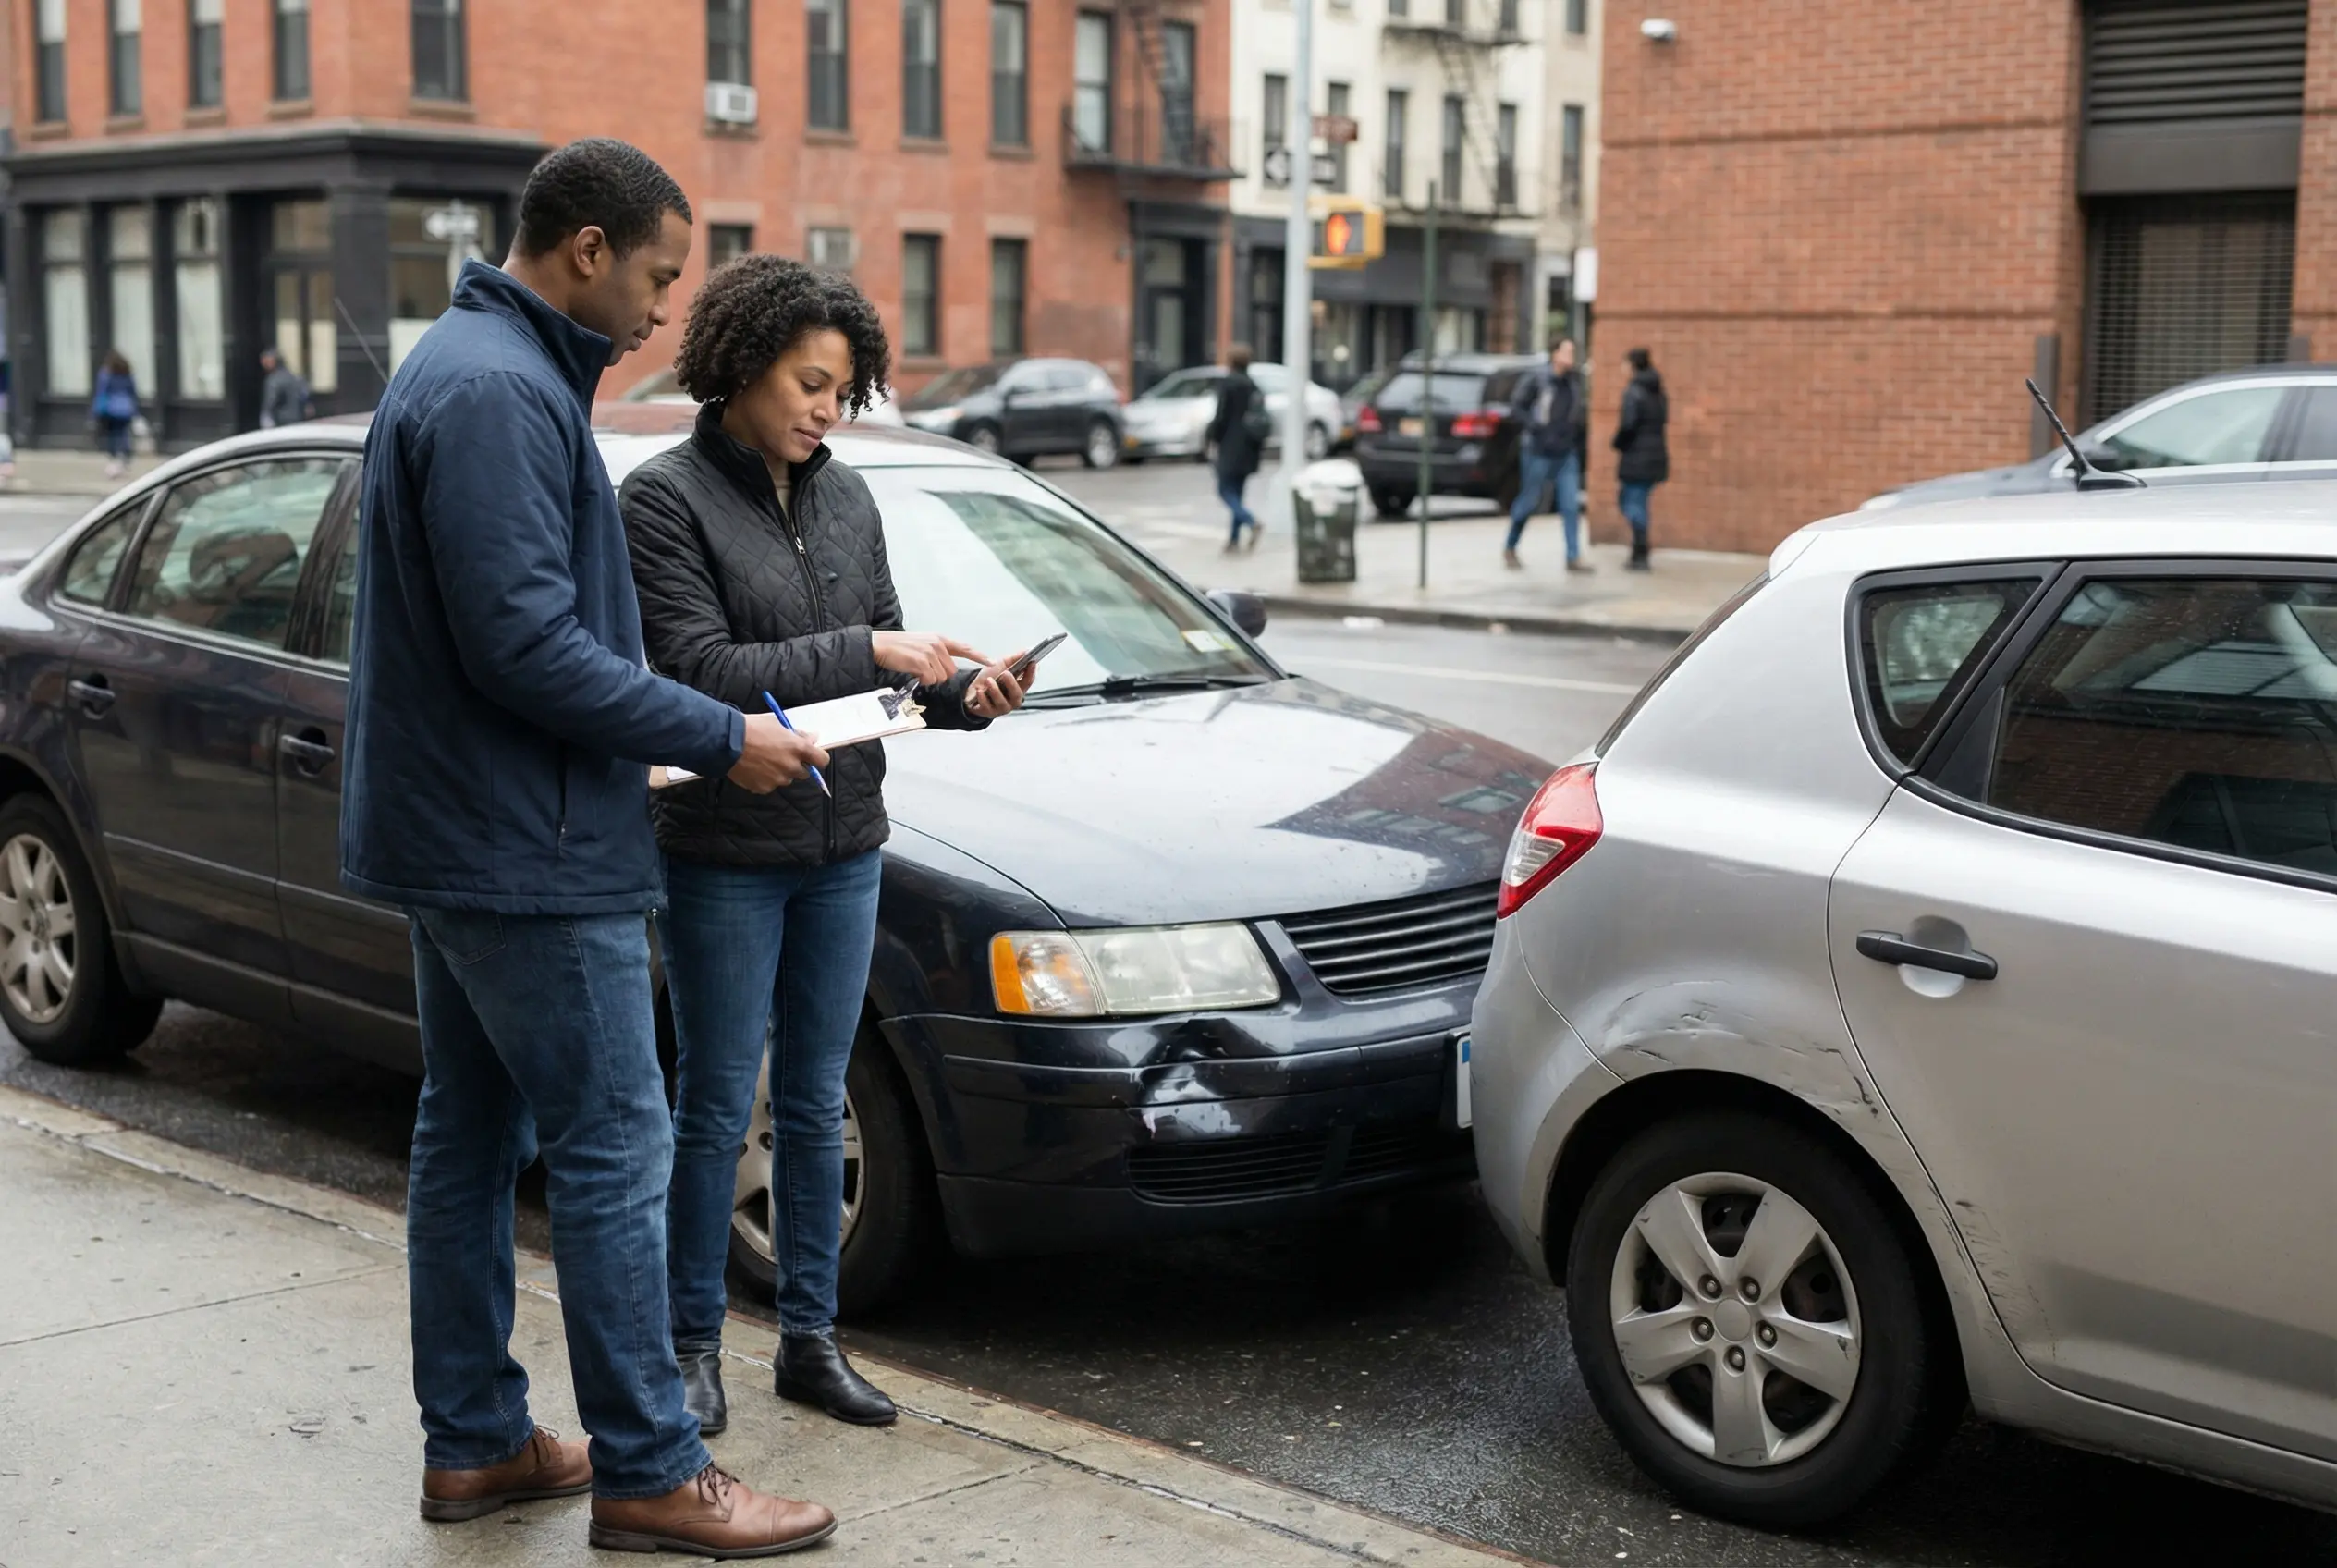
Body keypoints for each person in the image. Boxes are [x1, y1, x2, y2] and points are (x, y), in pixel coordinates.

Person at [340, 138, 838, 1558]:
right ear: (585, 251)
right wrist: (718, 726)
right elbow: (525, 646)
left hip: (470, 832)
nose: (667, 308)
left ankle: (483, 1448)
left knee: (470, 1134)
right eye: (661, 275)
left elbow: (509, 641)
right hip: (525, 848)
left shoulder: (468, 367)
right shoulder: (499, 390)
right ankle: (652, 1468)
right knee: (616, 1144)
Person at [620, 255, 1036, 1438]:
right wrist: (871, 650)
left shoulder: (847, 499)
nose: (821, 409)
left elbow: (888, 678)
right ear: (743, 363)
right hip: (721, 849)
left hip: (845, 841)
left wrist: (964, 695)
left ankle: (810, 1342)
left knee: (812, 1103)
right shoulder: (662, 501)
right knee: (713, 1104)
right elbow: (700, 674)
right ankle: (691, 1348)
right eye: (808, 383)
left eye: (839, 392)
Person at [1506, 338, 1588, 573]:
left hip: (1566, 452)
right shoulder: (1537, 379)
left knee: (1570, 504)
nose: (1571, 356)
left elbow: (1577, 413)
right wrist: (1536, 428)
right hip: (1538, 450)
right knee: (1529, 501)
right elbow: (1518, 407)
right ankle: (1510, 545)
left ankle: (1573, 556)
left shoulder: (1574, 382)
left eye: (1573, 351)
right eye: (1567, 351)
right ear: (1555, 354)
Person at [1205, 344, 1269, 551]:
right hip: (1250, 446)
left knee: (1224, 490)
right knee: (1238, 493)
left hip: (1231, 444)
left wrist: (1212, 438)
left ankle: (1251, 521)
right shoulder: (1254, 386)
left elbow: (1221, 416)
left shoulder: (1229, 384)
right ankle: (1233, 540)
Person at [1613, 347, 1670, 572]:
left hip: (1637, 456)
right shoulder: (1658, 392)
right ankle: (1640, 549)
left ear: (1633, 365)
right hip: (1656, 455)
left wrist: (1618, 443)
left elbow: (1628, 425)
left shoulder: (1633, 391)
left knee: (1630, 502)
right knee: (1639, 502)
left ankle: (1640, 549)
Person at [91, 350, 139, 479]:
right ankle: (124, 457)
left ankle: (114, 459)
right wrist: (135, 410)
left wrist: (95, 411)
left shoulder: (106, 373)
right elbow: (133, 392)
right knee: (123, 433)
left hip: (110, 409)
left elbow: (102, 392)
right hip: (125, 409)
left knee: (112, 435)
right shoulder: (127, 374)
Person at [258, 347, 313, 428]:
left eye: (266, 361)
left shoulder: (273, 380)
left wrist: (266, 417)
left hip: (281, 422)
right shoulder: (295, 376)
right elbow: (305, 395)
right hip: (298, 420)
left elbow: (271, 400)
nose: (263, 364)